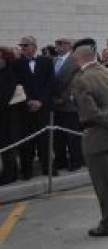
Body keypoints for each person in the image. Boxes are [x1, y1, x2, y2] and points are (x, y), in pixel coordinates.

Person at [70, 38, 108, 237]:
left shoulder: (81, 79)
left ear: (78, 58)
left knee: (104, 185)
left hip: (97, 137)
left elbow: (91, 113)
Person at [13, 36, 55, 179]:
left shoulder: (47, 62)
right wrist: (29, 101)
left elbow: (50, 83)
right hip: (26, 108)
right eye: (22, 45)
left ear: (34, 47)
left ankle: (47, 168)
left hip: (43, 107)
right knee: (27, 142)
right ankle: (27, 171)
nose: (23, 48)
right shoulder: (17, 64)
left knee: (45, 140)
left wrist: (41, 101)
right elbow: (17, 85)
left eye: (26, 45)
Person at [52, 38, 83, 172]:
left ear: (69, 46)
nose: (57, 46)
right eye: (56, 44)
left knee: (72, 135)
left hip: (69, 104)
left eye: (61, 43)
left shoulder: (75, 61)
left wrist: (63, 98)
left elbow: (75, 83)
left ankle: (76, 160)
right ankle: (60, 160)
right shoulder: (53, 60)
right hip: (55, 104)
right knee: (58, 136)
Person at [0, 47, 24, 185]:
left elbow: (5, 96)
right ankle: (8, 172)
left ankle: (10, 174)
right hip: (3, 117)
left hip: (8, 117)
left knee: (7, 146)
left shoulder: (8, 74)